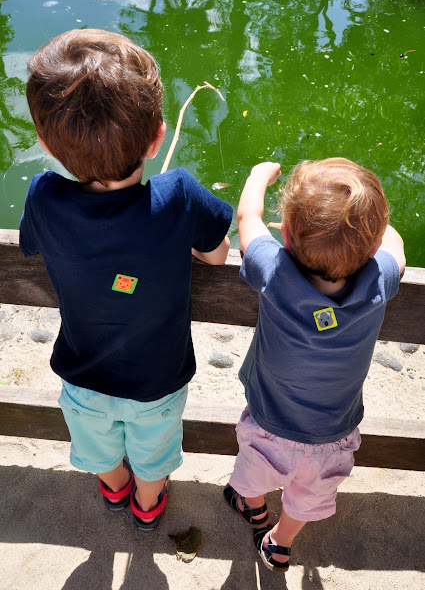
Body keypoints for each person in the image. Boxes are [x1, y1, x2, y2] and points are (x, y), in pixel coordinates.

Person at [20, 28, 232, 531]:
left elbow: (31, 244)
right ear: (158, 138)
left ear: (46, 144)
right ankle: (147, 502)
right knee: (154, 451)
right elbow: (219, 255)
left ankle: (115, 487)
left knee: (96, 445)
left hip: (82, 374)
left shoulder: (44, 196)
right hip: (159, 379)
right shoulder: (179, 195)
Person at [224, 158, 405, 572]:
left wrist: (257, 176)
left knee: (254, 475)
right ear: (373, 247)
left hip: (269, 424)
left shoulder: (273, 270)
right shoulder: (380, 277)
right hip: (334, 435)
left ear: (285, 235)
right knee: (308, 498)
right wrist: (368, 228)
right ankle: (279, 543)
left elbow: (247, 217)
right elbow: (393, 245)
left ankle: (253, 508)